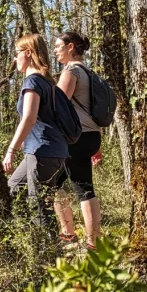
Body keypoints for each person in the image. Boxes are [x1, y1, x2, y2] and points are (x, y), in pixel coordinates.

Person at [3, 34, 69, 225]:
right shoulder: (46, 82)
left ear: (29, 53)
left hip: (42, 152)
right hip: (52, 151)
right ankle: (27, 239)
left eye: (17, 53)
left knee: (38, 205)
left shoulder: (32, 82)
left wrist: (11, 151)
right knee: (14, 188)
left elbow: (29, 118)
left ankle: (46, 252)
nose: (15, 59)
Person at [52, 31, 102, 249]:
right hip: (91, 135)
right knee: (57, 182)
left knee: (78, 186)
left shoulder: (71, 71)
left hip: (76, 137)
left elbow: (58, 107)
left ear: (70, 47)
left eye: (58, 46)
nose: (55, 50)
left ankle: (86, 240)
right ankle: (73, 234)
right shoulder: (89, 72)